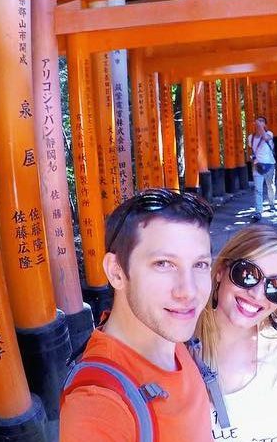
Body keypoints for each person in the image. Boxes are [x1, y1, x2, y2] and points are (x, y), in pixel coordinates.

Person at [60, 189, 217, 442]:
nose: (188, 291)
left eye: (200, 264)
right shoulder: (98, 406)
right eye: (163, 264)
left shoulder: (168, 331)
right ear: (117, 272)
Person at [195, 225, 277, 442]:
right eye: (247, 274)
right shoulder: (181, 345)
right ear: (221, 271)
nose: (257, 294)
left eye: (275, 286)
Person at [247, 115, 277, 220]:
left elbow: (265, 138)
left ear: (265, 124)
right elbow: (250, 150)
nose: (259, 123)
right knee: (258, 189)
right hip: (257, 165)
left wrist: (261, 128)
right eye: (258, 121)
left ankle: (272, 204)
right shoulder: (250, 137)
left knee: (270, 186)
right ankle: (258, 211)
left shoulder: (269, 134)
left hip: (270, 164)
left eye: (262, 121)